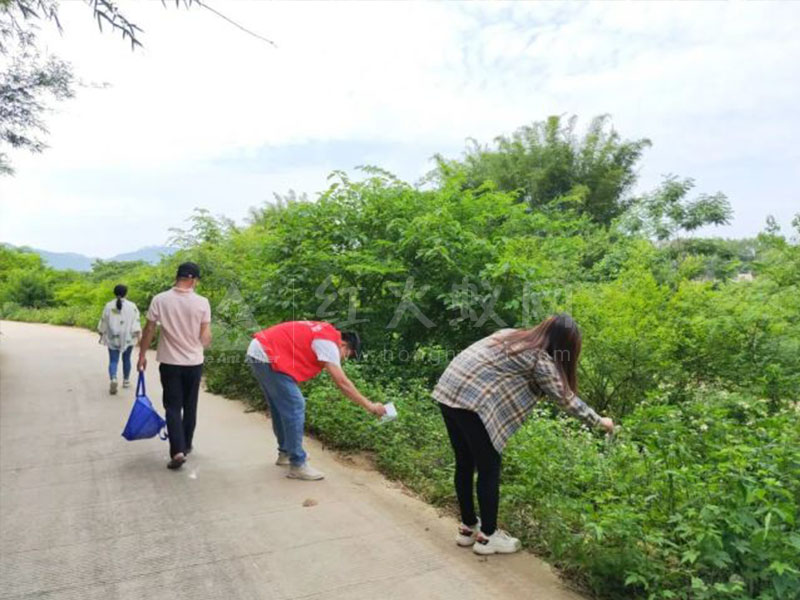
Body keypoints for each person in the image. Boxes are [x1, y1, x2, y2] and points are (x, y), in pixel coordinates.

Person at [433, 314, 615, 556]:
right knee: (489, 466)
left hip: (448, 390)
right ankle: (488, 536)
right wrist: (600, 422)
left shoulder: (510, 334)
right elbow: (566, 400)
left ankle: (468, 528)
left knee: (465, 462)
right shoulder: (540, 359)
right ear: (565, 346)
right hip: (470, 402)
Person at [246, 320, 386, 481]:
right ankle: (298, 464)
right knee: (295, 405)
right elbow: (343, 383)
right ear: (344, 345)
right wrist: (371, 406)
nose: (343, 359)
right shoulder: (329, 344)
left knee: (280, 406)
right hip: (266, 355)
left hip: (259, 351)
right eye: (346, 355)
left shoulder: (324, 333)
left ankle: (286, 452)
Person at [137, 262, 212, 470]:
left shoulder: (160, 300)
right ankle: (186, 444)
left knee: (172, 406)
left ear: (178, 277)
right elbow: (205, 337)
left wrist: (142, 355)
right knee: (190, 405)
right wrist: (205, 337)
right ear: (193, 280)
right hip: (194, 363)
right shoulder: (202, 302)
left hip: (170, 363)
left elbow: (149, 329)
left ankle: (177, 451)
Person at [97, 284, 141, 394]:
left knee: (113, 360)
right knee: (126, 359)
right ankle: (126, 381)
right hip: (128, 336)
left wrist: (101, 331)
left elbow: (104, 320)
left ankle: (113, 378)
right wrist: (138, 334)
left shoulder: (109, 306)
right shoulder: (132, 306)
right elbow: (136, 321)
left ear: (114, 292)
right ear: (126, 293)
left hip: (113, 336)